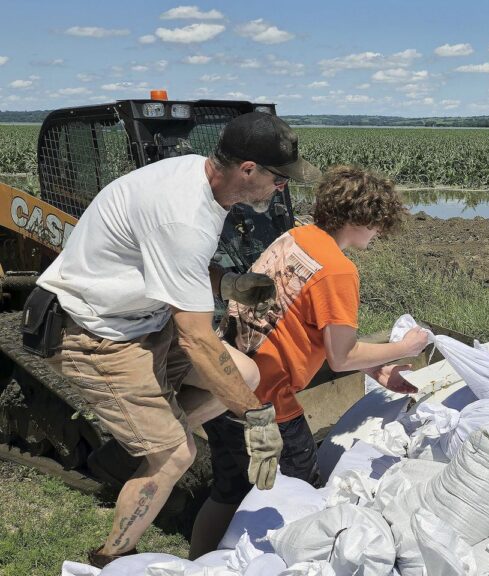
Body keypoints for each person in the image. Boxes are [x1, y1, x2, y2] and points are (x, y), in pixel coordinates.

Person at [29, 111, 320, 568]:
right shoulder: (183, 219)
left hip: (143, 317)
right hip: (95, 332)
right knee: (175, 455)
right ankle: (111, 557)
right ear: (248, 170)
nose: (282, 188)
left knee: (243, 372)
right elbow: (198, 341)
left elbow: (173, 263)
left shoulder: (201, 180)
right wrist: (259, 421)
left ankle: (146, 440)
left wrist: (225, 284)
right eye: (279, 179)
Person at [188, 165, 430, 558]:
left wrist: (374, 367)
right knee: (301, 494)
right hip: (269, 403)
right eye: (377, 224)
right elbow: (341, 355)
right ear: (358, 218)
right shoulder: (338, 270)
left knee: (228, 489)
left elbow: (301, 326)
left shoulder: (294, 238)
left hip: (227, 384)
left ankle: (198, 564)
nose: (379, 233)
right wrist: (405, 347)